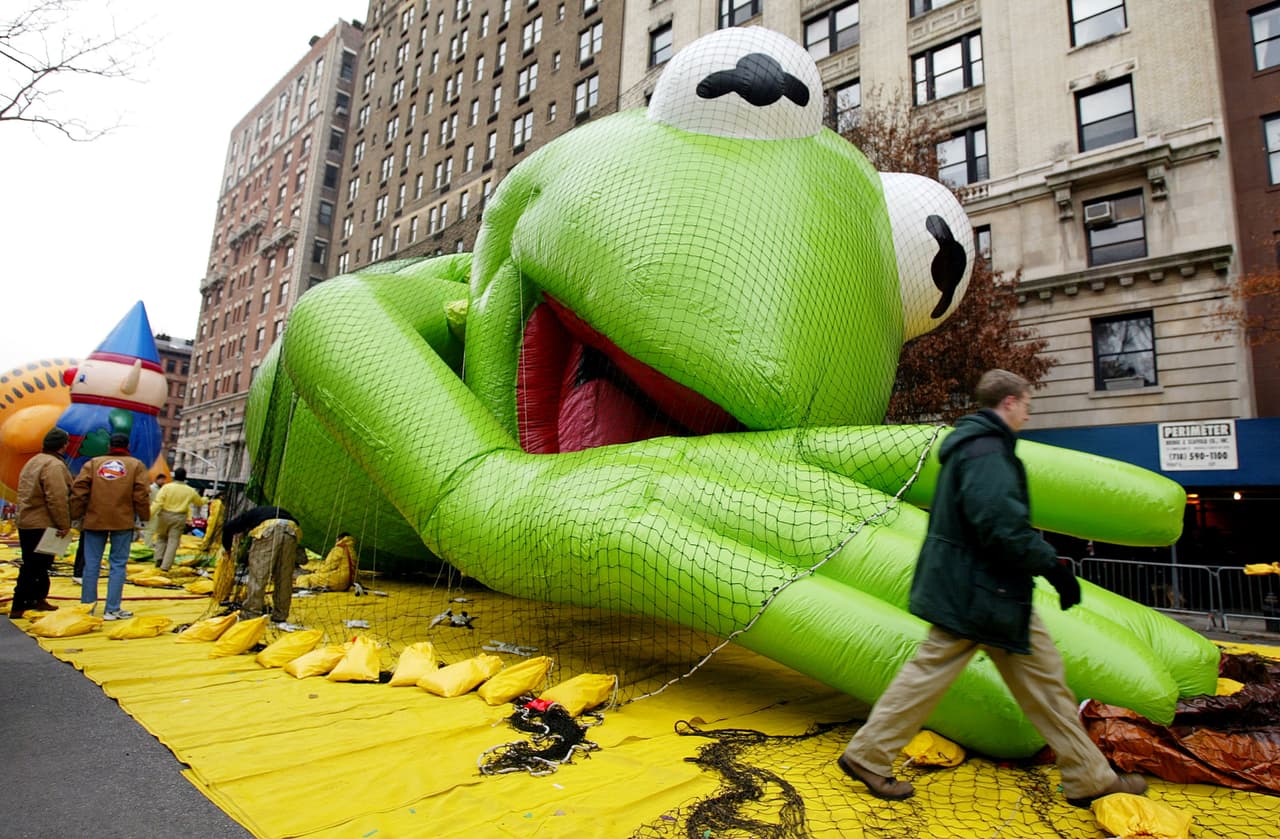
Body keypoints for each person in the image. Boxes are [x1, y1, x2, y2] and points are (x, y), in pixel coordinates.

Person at [836, 370, 1147, 808]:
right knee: (1039, 685)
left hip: (977, 592)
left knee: (1015, 682)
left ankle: (868, 755)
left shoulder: (972, 447)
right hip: (987, 594)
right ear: (1010, 402)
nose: (1027, 415)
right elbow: (1000, 526)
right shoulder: (987, 453)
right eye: (1026, 406)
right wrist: (1053, 567)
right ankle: (1089, 778)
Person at [70, 432, 150, 620]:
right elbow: (141, 495)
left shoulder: (93, 464)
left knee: (91, 565)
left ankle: (87, 607)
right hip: (122, 520)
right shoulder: (136, 465)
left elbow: (79, 491)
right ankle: (112, 609)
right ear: (127, 446)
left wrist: (75, 515)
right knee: (118, 565)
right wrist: (144, 517)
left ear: (109, 446)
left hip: (94, 519)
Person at [10, 428, 74, 618]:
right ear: (63, 445)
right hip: (42, 522)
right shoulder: (53, 465)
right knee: (35, 566)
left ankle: (37, 598)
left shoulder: (34, 461)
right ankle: (19, 603)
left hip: (27, 520)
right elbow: (56, 497)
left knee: (39, 564)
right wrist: (63, 523)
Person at [222, 505, 304, 623]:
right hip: (291, 531)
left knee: (258, 575)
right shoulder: (275, 511)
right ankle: (280, 615)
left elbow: (228, 528)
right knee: (284, 577)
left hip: (268, 530)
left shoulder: (247, 517)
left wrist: (228, 549)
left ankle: (251, 615)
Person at [150, 467, 203, 571]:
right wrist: (205, 500)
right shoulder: (190, 490)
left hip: (164, 515)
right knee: (173, 541)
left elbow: (158, 502)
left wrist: (149, 514)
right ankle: (166, 566)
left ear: (174, 476)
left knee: (161, 537)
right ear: (185, 477)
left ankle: (158, 558)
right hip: (179, 517)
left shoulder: (166, 487)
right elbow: (199, 502)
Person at [143, 473, 167, 548]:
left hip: (158, 512)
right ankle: (148, 545)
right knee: (150, 529)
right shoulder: (151, 488)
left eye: (164, 480)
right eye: (162, 480)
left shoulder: (161, 489)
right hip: (152, 511)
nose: (163, 482)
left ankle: (150, 543)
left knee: (154, 529)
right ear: (157, 480)